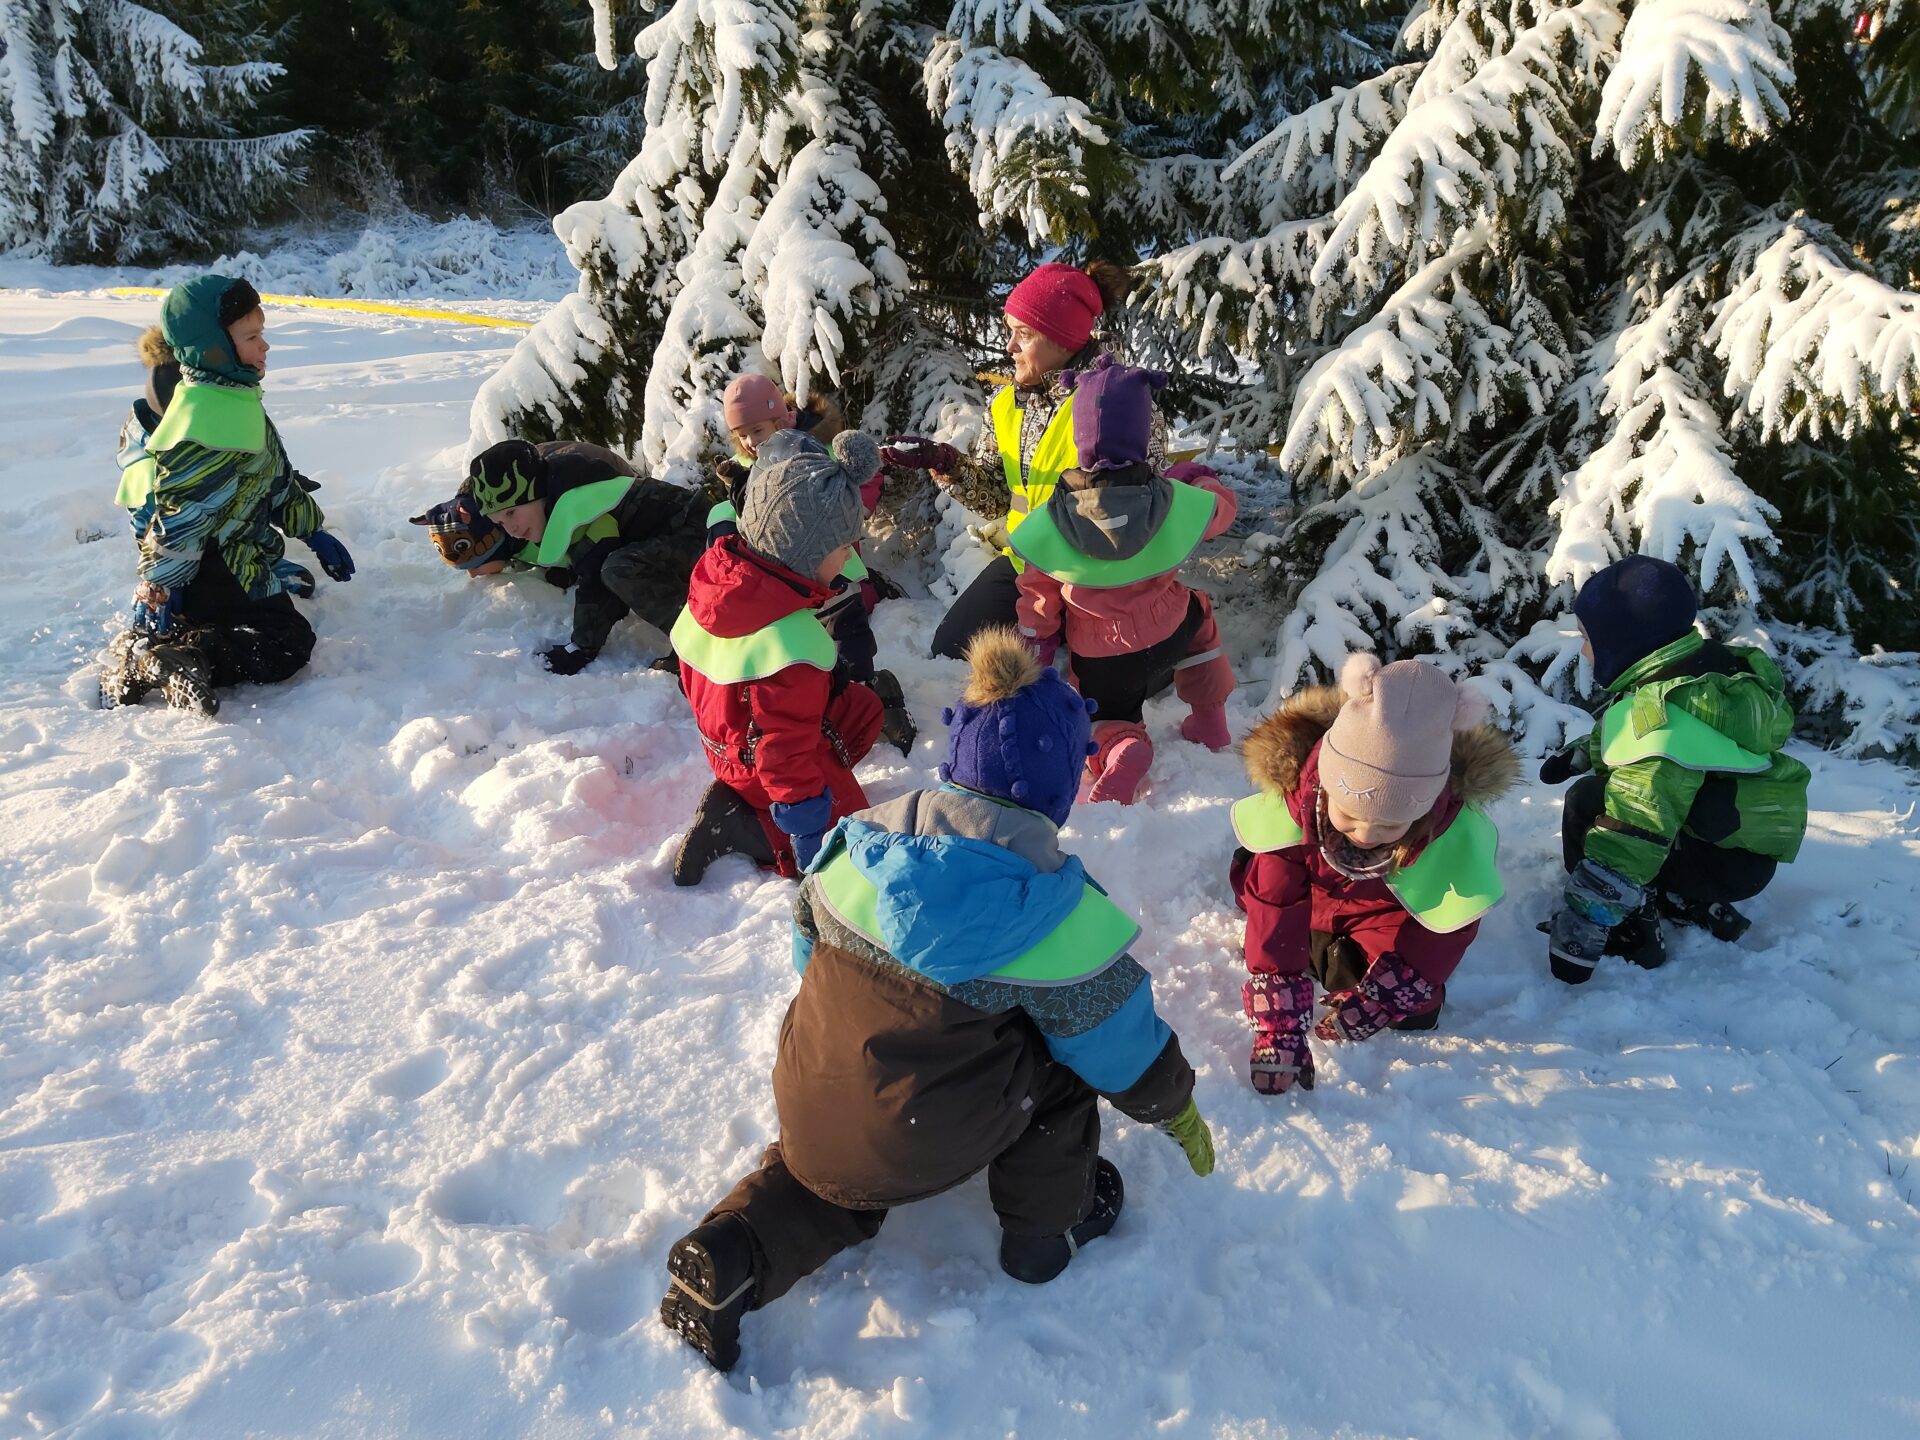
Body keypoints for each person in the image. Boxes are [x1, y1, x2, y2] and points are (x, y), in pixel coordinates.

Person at [657, 628, 1215, 1371]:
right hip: (925, 1129)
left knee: (826, 1180)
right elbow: (1121, 1046)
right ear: (1054, 796)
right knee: (1065, 1065)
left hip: (811, 1092)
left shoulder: (856, 846)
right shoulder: (1054, 910)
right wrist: (1173, 1106)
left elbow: (806, 956)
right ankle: (1048, 1232)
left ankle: (733, 1253)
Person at [1231, 655, 1518, 1093]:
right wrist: (1279, 1019)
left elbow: (1449, 919)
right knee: (1272, 925)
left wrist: (1390, 992)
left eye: (1388, 826)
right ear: (1326, 784)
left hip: (1383, 908)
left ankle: (1341, 963)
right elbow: (1275, 901)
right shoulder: (1299, 803)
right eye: (1350, 816)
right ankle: (1312, 955)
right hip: (1308, 898)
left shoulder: (1446, 827)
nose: (1365, 834)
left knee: (1415, 1006)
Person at [1541, 555, 1810, 982]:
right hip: (1741, 853)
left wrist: (1584, 925)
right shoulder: (1708, 676)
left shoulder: (1659, 716)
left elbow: (1636, 824)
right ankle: (1690, 901)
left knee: (1588, 802)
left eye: (1587, 637)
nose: (1582, 649)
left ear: (1621, 641)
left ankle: (1631, 930)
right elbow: (1643, 734)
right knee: (1671, 799)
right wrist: (1583, 752)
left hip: (1717, 862)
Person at [100, 277, 354, 717]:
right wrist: (162, 585)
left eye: (262, 332)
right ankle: (189, 659)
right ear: (213, 348)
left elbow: (273, 477)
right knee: (286, 641)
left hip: (231, 549)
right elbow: (182, 517)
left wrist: (312, 532)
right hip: (213, 560)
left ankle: (162, 641)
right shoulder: (205, 421)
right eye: (252, 337)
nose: (266, 345)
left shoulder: (233, 398)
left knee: (266, 608)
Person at [884, 261, 1159, 661]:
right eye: (1009, 332)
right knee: (951, 649)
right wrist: (945, 462)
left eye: (1024, 334)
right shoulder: (1008, 405)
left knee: (1103, 676)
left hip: (1102, 576)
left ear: (1065, 340)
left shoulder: (1118, 401)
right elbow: (998, 498)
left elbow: (1143, 509)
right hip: (1028, 563)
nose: (1009, 346)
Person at [1010, 358, 1239, 803]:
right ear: (1141, 431)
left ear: (1080, 440)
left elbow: (1037, 597)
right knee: (1201, 614)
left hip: (1102, 657)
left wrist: (1035, 648)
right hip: (1170, 628)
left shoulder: (1054, 519)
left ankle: (1119, 745)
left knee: (1102, 714)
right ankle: (1210, 720)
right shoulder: (1170, 499)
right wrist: (1202, 479)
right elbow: (1220, 512)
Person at [669, 429, 887, 884]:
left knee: (864, 711)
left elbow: (691, 680)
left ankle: (748, 794)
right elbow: (783, 753)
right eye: (843, 546)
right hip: (758, 763)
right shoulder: (790, 646)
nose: (849, 556)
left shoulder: (717, 582)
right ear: (805, 553)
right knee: (851, 840)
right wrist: (808, 827)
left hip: (723, 741)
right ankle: (753, 828)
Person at [709, 374, 915, 753]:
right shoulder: (762, 456)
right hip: (791, 580)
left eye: (757, 430)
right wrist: (739, 483)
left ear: (781, 420)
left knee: (847, 630)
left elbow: (818, 505)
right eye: (742, 435)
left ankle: (865, 686)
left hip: (833, 568)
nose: (751, 442)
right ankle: (826, 694)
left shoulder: (801, 452)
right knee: (811, 640)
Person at [467, 438, 706, 673]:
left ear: (537, 493)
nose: (512, 529)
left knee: (619, 568)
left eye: (511, 513)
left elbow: (596, 577)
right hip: (690, 536)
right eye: (499, 522)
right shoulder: (562, 498)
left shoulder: (580, 504)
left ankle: (698, 639)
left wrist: (582, 646)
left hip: (703, 537)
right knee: (617, 568)